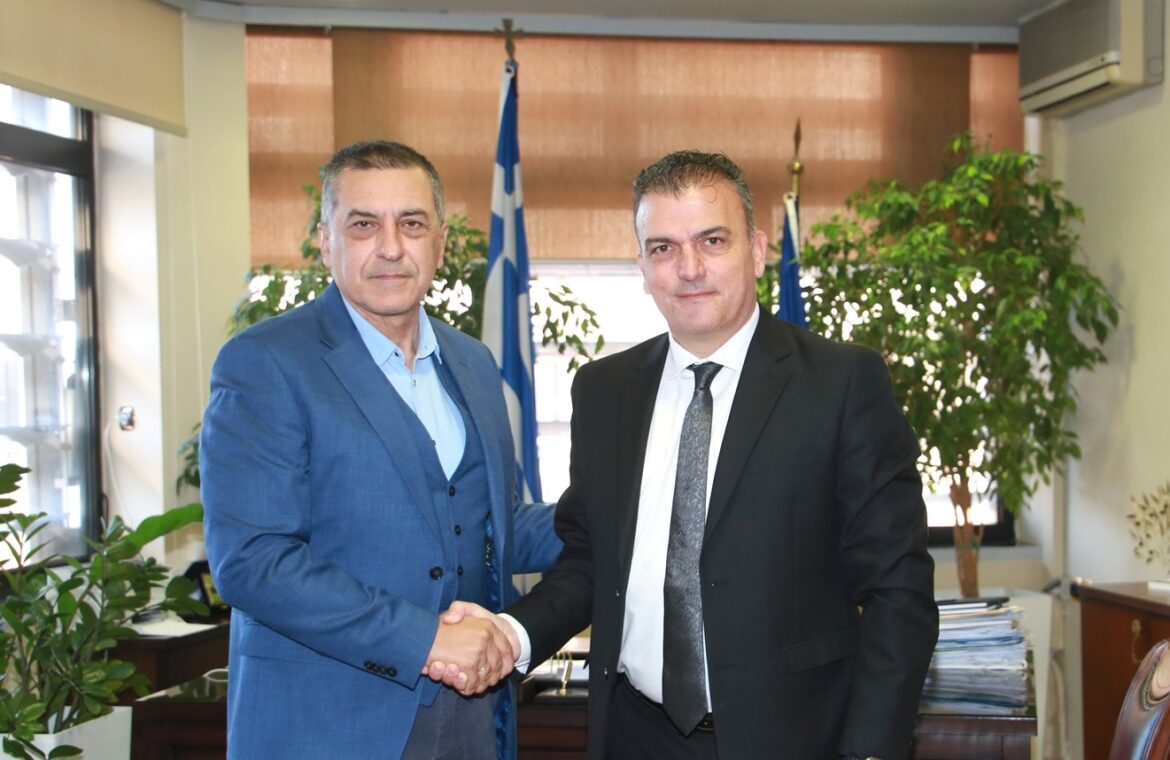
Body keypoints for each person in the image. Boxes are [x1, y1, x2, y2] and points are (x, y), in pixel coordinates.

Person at [445, 150, 938, 759]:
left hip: (793, 739)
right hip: (633, 735)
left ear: (756, 250)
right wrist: (510, 634)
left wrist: (870, 752)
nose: (690, 268)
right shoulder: (605, 391)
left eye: (712, 240)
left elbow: (897, 589)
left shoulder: (840, 384)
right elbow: (589, 563)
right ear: (642, 266)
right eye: (663, 248)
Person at [201, 140, 561, 760]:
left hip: (474, 718)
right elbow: (253, 561)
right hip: (325, 725)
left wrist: (622, 512)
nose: (391, 247)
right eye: (364, 225)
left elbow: (488, 524)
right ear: (326, 241)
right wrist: (425, 640)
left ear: (439, 242)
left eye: (412, 224)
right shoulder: (265, 362)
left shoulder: (473, 363)